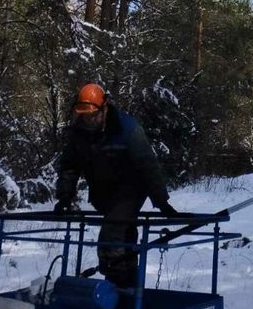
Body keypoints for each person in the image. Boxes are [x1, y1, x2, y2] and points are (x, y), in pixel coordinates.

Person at [54, 82, 180, 288]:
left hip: (130, 191)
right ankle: (127, 286)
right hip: (103, 194)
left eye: (93, 115)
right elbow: (69, 166)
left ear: (105, 108)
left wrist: (162, 202)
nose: (90, 120)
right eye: (84, 116)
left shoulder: (127, 129)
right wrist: (65, 197)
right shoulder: (79, 134)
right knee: (124, 236)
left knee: (111, 236)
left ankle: (118, 285)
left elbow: (148, 166)